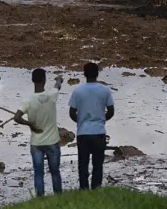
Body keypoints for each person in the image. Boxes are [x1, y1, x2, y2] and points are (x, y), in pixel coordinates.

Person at [14, 68, 64, 196]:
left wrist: (29, 123)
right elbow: (57, 86)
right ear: (44, 80)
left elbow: (17, 117)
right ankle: (58, 197)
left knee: (38, 173)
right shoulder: (51, 95)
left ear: (32, 80)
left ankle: (40, 199)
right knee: (55, 172)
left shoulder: (28, 101)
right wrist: (59, 79)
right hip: (52, 141)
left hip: (36, 143)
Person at [68, 62, 114, 190]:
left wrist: (81, 121)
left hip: (83, 132)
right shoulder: (105, 90)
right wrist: (101, 120)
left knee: (83, 163)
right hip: (99, 132)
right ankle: (96, 188)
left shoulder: (77, 91)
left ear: (84, 74)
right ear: (97, 73)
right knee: (98, 164)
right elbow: (111, 111)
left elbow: (72, 112)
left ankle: (83, 189)